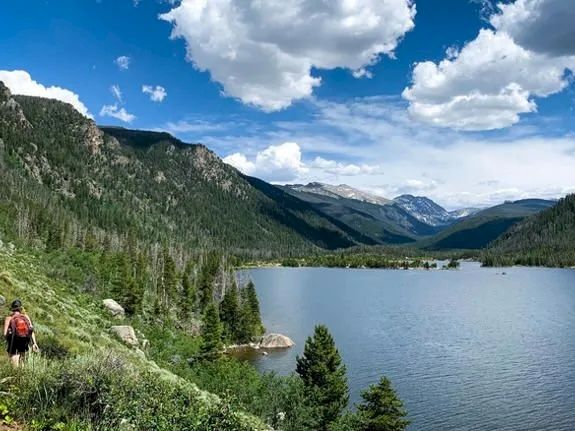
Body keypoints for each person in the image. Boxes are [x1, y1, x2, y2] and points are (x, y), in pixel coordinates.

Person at [3, 299, 39, 366]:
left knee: (14, 361)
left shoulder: (9, 318)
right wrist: (34, 343)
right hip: (24, 340)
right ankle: (22, 374)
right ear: (20, 308)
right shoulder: (25, 316)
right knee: (22, 360)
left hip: (13, 341)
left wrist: (9, 334)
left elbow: (5, 334)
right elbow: (31, 330)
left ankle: (15, 375)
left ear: (12, 308)